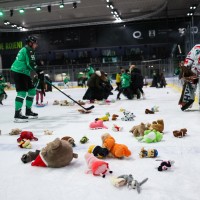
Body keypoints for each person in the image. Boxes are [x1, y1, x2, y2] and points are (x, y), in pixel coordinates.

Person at [11, 35, 44, 122]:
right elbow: (30, 63)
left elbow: (30, 63)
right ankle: (17, 115)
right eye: (35, 43)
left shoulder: (29, 50)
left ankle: (28, 111)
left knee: (32, 91)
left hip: (24, 72)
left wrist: (38, 71)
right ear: (30, 43)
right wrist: (38, 71)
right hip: (18, 71)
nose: (36, 45)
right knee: (22, 92)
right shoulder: (28, 50)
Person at [179, 44, 200, 111]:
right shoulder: (197, 47)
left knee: (191, 85)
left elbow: (189, 58)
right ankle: (187, 101)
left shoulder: (197, 46)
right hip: (195, 71)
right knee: (190, 86)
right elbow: (189, 58)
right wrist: (185, 67)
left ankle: (188, 100)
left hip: (195, 70)